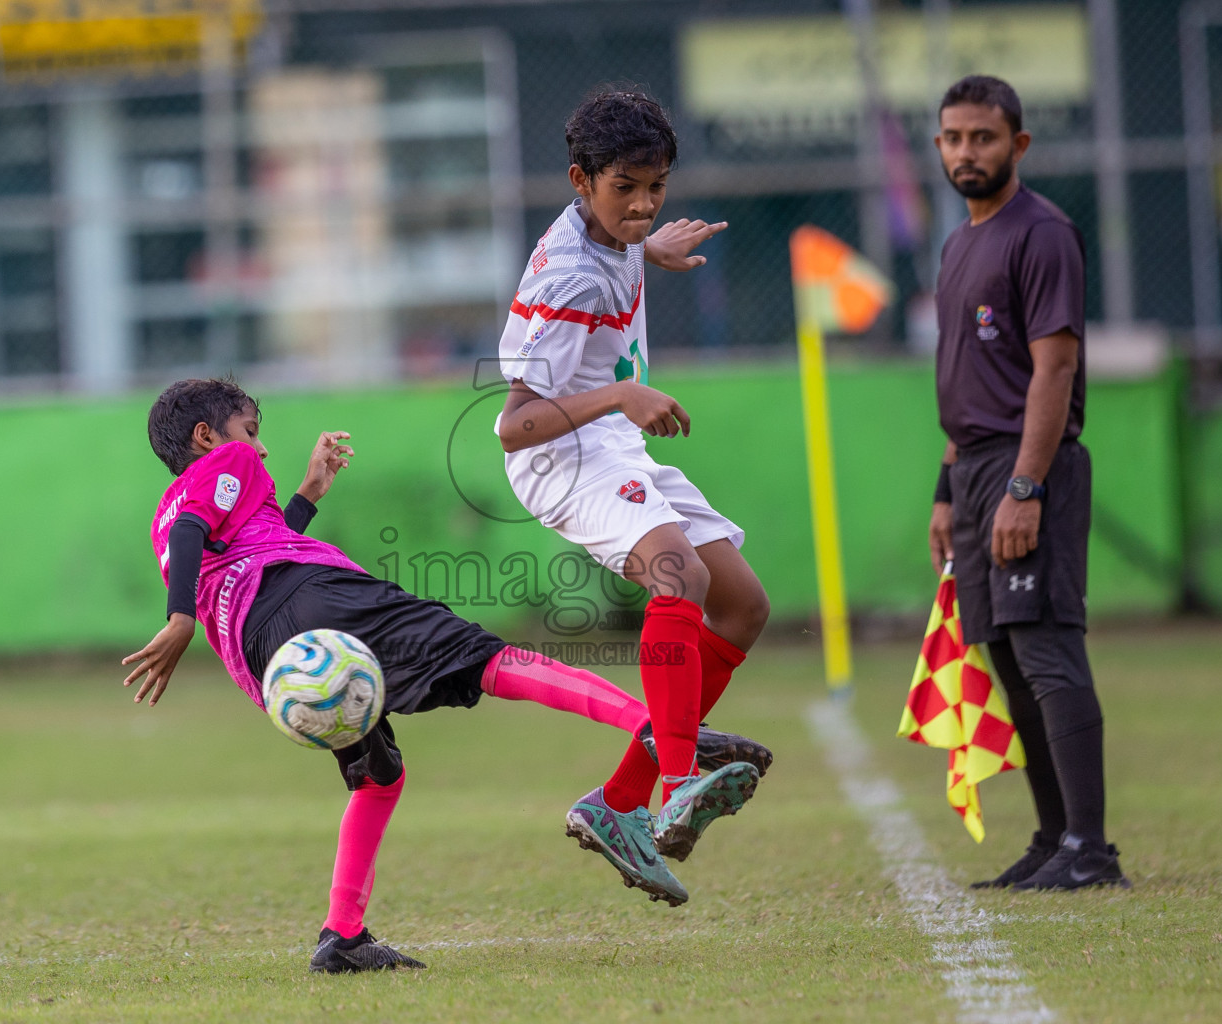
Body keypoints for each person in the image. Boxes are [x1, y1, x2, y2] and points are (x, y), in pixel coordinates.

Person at [121, 379, 769, 974]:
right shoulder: (221, 467)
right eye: (250, 429)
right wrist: (178, 621)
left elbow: (244, 542)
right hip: (314, 600)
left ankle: (342, 936)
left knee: (379, 777)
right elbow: (195, 530)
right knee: (491, 661)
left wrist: (309, 495)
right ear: (208, 435)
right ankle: (661, 729)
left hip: (269, 653)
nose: (259, 449)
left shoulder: (168, 506)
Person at [494, 90, 774, 872]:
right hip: (560, 454)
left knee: (742, 605)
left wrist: (646, 247)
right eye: (628, 189)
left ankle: (617, 805)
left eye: (657, 187)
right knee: (678, 576)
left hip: (609, 442)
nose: (645, 205)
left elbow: (614, 246)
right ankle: (680, 780)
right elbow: (514, 426)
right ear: (582, 181)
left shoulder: (610, 230)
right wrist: (621, 392)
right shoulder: (569, 281)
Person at [927, 75, 1129, 890]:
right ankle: (1053, 841)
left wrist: (1026, 488)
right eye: (953, 138)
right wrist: (943, 492)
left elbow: (1055, 368)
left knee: (1046, 648)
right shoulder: (957, 244)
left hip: (1025, 468)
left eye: (983, 137)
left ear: (1019, 144)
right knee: (1007, 654)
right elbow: (965, 380)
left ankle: (1092, 849)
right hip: (971, 469)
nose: (966, 152)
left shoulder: (1041, 233)